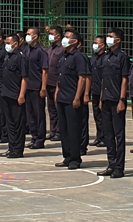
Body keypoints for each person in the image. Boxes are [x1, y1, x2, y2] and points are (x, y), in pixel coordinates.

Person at [53, 28, 91, 170]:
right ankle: (67, 156)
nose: (65, 39)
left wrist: (78, 97)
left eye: (68, 37)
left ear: (75, 41)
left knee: (73, 129)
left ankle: (75, 158)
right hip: (62, 97)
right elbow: (60, 76)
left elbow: (82, 78)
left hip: (72, 98)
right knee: (64, 129)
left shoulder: (79, 57)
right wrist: (57, 91)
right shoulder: (64, 56)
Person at [94, 29, 129, 179]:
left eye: (111, 37)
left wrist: (122, 100)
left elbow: (124, 80)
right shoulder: (106, 57)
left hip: (116, 100)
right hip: (106, 99)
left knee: (118, 135)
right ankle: (111, 163)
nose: (108, 39)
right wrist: (102, 98)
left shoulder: (122, 57)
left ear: (118, 40)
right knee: (108, 134)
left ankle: (119, 167)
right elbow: (103, 80)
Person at [0, 33, 30, 159]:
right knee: (10, 124)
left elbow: (24, 78)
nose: (7, 45)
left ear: (16, 44)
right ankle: (11, 147)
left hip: (16, 95)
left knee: (17, 124)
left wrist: (22, 95)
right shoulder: (8, 56)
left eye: (8, 43)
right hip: (6, 94)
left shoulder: (21, 57)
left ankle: (17, 150)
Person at [23, 27, 50, 149]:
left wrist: (43, 87)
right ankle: (33, 137)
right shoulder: (26, 49)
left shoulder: (41, 51)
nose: (27, 36)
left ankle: (40, 139)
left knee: (39, 114)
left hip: (37, 86)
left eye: (29, 34)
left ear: (36, 36)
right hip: (27, 86)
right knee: (30, 114)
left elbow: (45, 71)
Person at [45, 25, 64, 143]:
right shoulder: (49, 49)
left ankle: (59, 131)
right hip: (48, 82)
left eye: (52, 34)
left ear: (58, 35)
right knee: (51, 109)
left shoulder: (62, 49)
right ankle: (53, 130)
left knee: (58, 109)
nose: (50, 36)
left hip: (58, 83)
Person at [90, 35, 107, 150]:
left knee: (103, 116)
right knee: (96, 115)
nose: (95, 45)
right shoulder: (94, 58)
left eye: (98, 43)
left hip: (103, 91)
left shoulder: (105, 58)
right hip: (94, 90)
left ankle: (104, 138)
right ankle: (99, 136)